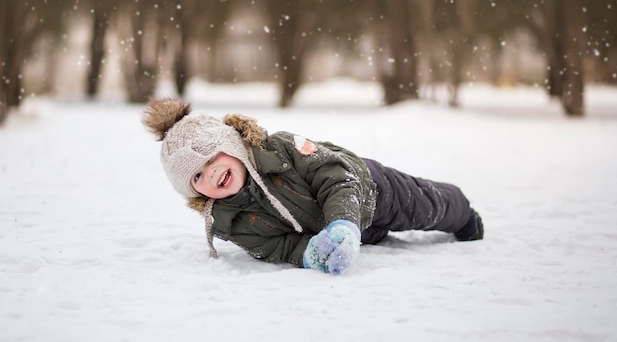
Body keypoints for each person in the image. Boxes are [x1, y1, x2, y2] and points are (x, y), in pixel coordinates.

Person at [142, 98, 484, 275]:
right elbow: (275, 246)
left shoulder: (281, 148)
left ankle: (463, 213)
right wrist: (311, 252)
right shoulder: (229, 222)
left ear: (230, 145)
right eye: (196, 178)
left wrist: (343, 223)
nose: (210, 176)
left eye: (209, 160)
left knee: (425, 205)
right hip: (344, 233)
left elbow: (335, 176)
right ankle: (362, 233)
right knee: (381, 235)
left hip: (367, 188)